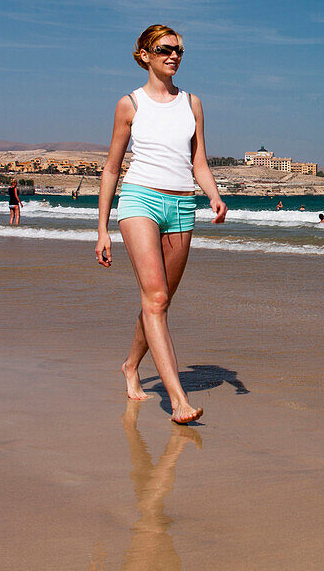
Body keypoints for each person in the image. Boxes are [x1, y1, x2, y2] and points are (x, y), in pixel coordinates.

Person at [95, 24, 227, 424]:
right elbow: (112, 168)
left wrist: (214, 194)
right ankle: (178, 400)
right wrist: (102, 228)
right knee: (154, 299)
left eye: (180, 51)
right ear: (145, 54)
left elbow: (198, 160)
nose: (174, 55)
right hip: (140, 201)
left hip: (181, 204)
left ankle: (131, 365)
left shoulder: (192, 103)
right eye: (166, 49)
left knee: (160, 300)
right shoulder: (129, 104)